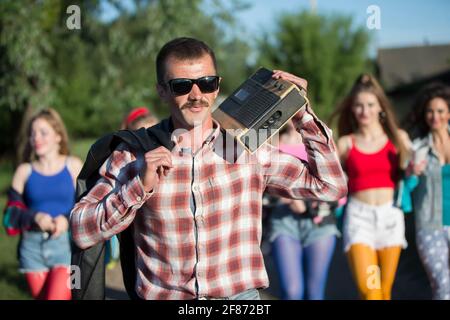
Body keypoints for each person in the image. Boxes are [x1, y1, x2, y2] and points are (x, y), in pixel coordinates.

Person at [70, 37, 347, 300]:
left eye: (206, 83)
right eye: (181, 85)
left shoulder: (248, 148)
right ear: (162, 90)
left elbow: (331, 186)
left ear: (217, 86)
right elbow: (81, 230)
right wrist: (138, 188)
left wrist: (301, 114)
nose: (196, 95)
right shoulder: (133, 153)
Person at [330, 74, 411, 300]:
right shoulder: (346, 143)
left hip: (390, 219)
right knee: (371, 291)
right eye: (358, 106)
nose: (364, 111)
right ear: (352, 110)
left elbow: (412, 175)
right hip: (359, 220)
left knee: (384, 292)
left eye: (370, 105)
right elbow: (329, 178)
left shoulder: (398, 139)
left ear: (380, 108)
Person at [3, 108, 83, 300]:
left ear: (58, 136)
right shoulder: (23, 171)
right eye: (32, 133)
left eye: (43, 132)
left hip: (68, 249)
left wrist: (65, 219)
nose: (36, 138)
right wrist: (35, 217)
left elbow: (87, 206)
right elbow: (10, 216)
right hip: (32, 251)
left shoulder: (73, 166)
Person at [267, 121, 340, 300]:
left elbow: (338, 186)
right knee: (292, 292)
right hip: (284, 221)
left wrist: (311, 204)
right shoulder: (272, 140)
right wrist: (287, 197)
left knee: (314, 294)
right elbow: (260, 181)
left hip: (319, 223)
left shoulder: (321, 138)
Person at [406, 83, 450, 300]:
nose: (435, 116)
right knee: (442, 286)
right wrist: (412, 173)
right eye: (430, 112)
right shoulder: (418, 148)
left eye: (440, 111)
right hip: (429, 226)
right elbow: (406, 190)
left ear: (448, 113)